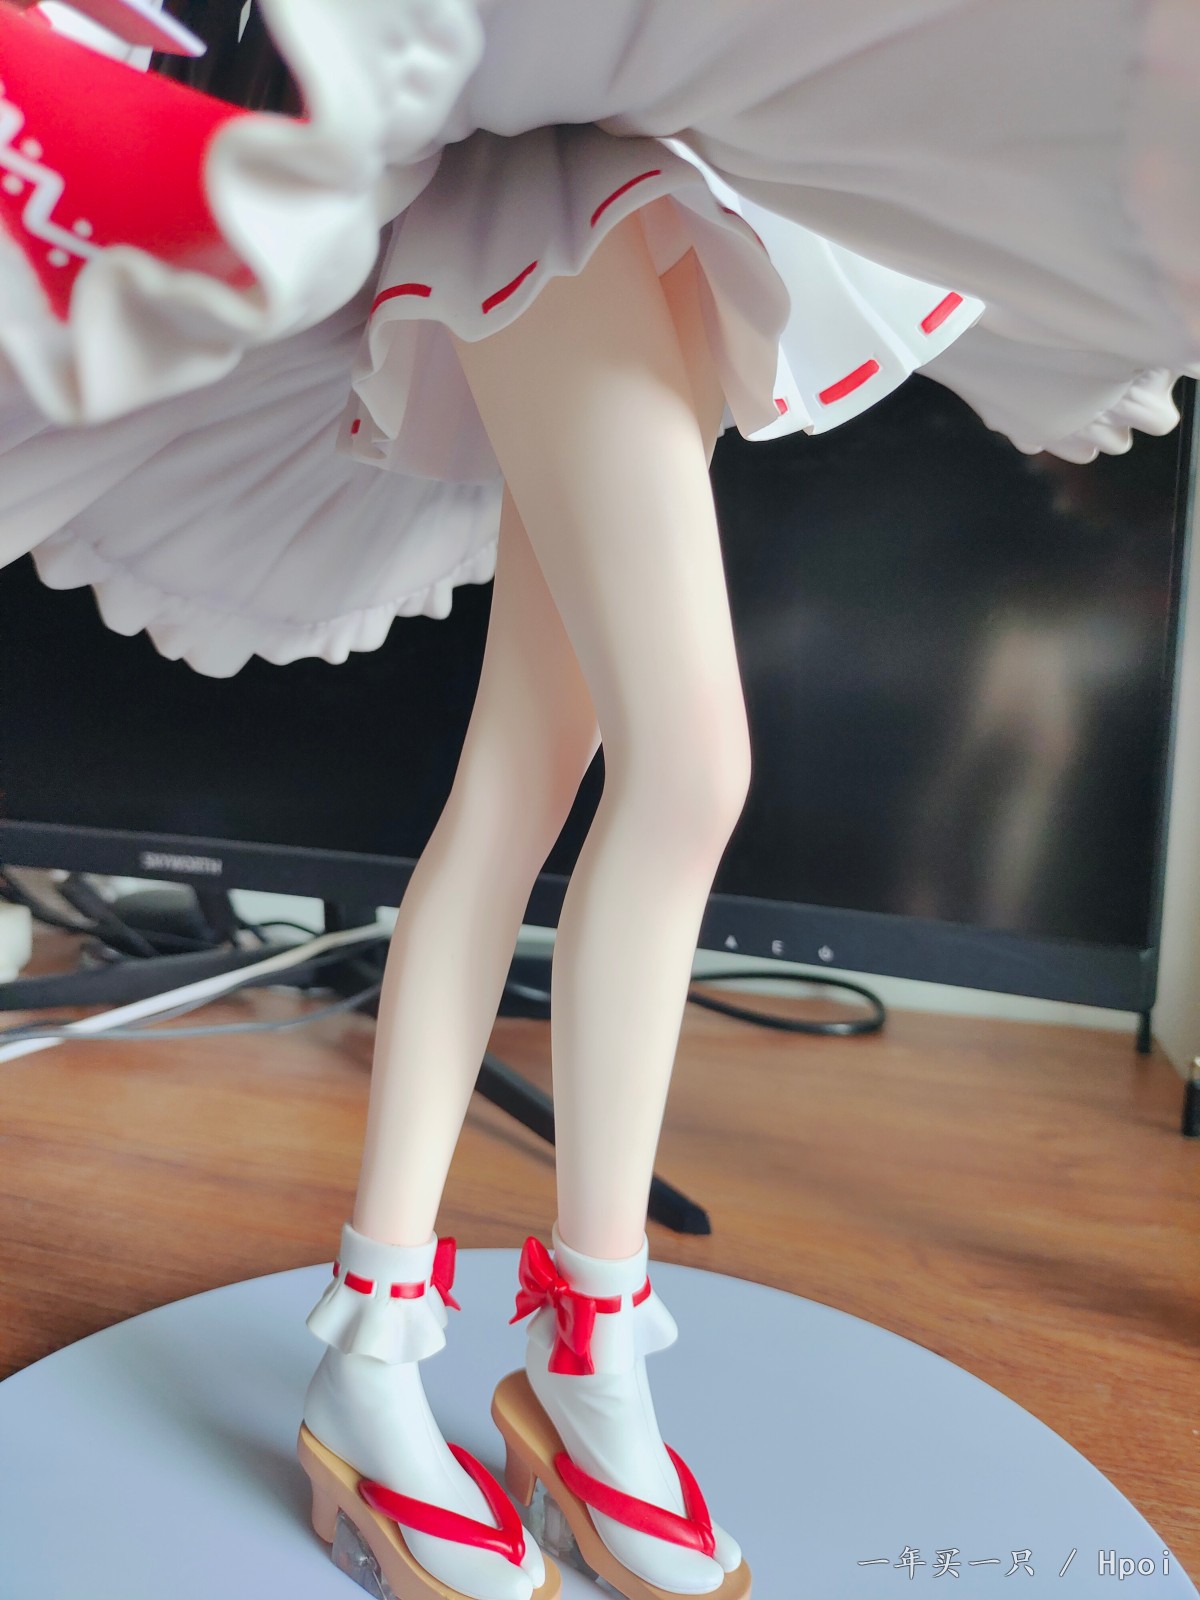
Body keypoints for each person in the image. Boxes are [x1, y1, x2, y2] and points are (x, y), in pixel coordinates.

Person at [1, 3, 1196, 1597]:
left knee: (524, 772)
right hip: (545, 157)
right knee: (680, 766)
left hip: (660, 149)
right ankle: (560, 1355)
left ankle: (438, 1357)